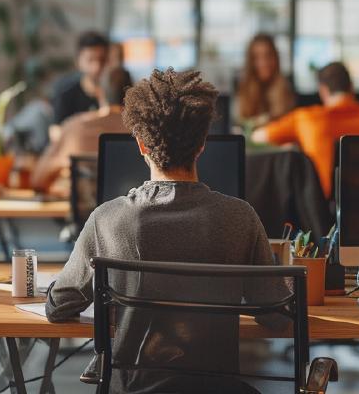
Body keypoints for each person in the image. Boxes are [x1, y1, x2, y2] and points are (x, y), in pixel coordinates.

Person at [45, 68, 282, 393]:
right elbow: (279, 314)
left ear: (141, 144)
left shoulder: (107, 219)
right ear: (201, 145)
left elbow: (59, 306)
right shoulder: (241, 217)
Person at [251, 62, 359, 199]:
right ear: (351, 87)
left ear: (323, 90)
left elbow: (259, 136)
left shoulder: (307, 118)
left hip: (324, 211)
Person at [31, 67, 132, 196]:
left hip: (88, 214)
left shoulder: (75, 127)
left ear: (99, 93)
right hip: (133, 213)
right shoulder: (143, 130)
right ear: (132, 94)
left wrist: (64, 168)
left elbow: (38, 180)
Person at [49, 32, 110, 126]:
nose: (97, 66)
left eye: (102, 60)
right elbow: (56, 130)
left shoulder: (117, 89)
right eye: (90, 60)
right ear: (78, 62)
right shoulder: (66, 91)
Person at [235, 33, 295, 130]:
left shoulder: (286, 89)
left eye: (268, 56)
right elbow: (239, 121)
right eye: (256, 57)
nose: (263, 63)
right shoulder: (243, 88)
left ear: (276, 58)